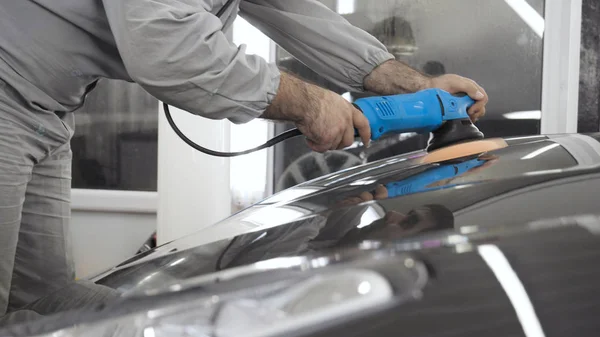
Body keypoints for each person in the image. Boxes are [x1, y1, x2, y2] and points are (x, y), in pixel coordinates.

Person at [0, 0, 488, 317]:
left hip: (47, 108)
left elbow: (298, 13)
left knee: (42, 304)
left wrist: (415, 86)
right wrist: (310, 102)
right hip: (8, 93)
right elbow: (169, 49)